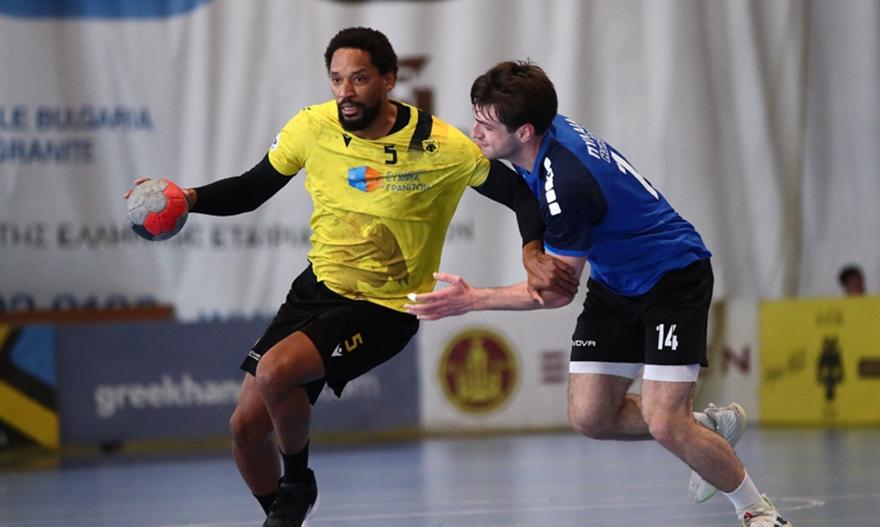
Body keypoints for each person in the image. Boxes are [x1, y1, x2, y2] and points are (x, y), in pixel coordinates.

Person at [125, 31, 577, 527]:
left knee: (276, 372)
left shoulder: (440, 146)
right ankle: (283, 516)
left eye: (359, 79)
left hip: (384, 308)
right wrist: (188, 198)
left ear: (389, 80)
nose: (345, 91)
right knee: (244, 430)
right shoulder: (311, 127)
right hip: (316, 290)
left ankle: (298, 483)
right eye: (337, 79)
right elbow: (251, 190)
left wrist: (532, 251)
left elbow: (521, 194)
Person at [405, 61, 792, 527]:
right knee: (591, 417)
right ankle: (708, 428)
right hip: (614, 282)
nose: (475, 133)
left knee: (665, 421)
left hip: (672, 278)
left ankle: (758, 511)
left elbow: (555, 294)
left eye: (486, 126)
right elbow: (527, 200)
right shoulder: (546, 134)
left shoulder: (567, 184)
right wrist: (531, 249)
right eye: (476, 119)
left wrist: (471, 300)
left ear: (524, 132)